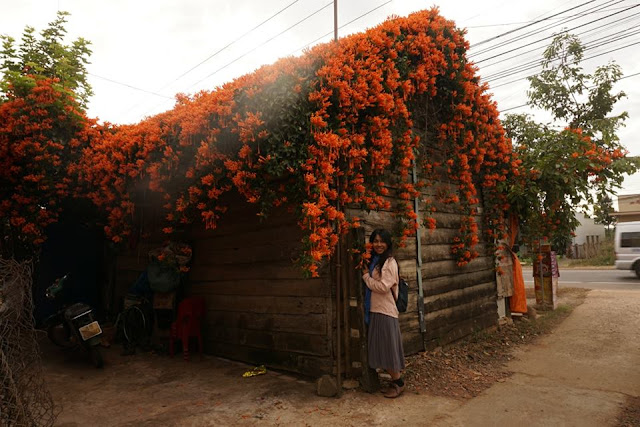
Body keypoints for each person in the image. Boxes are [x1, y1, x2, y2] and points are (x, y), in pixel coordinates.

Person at [362, 228, 405, 398]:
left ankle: (399, 382)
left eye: (382, 241)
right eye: (375, 241)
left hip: (386, 311)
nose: (378, 244)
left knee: (388, 349)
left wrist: (366, 277)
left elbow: (383, 287)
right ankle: (394, 381)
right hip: (375, 310)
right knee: (382, 349)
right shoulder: (375, 260)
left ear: (388, 243)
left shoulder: (389, 262)